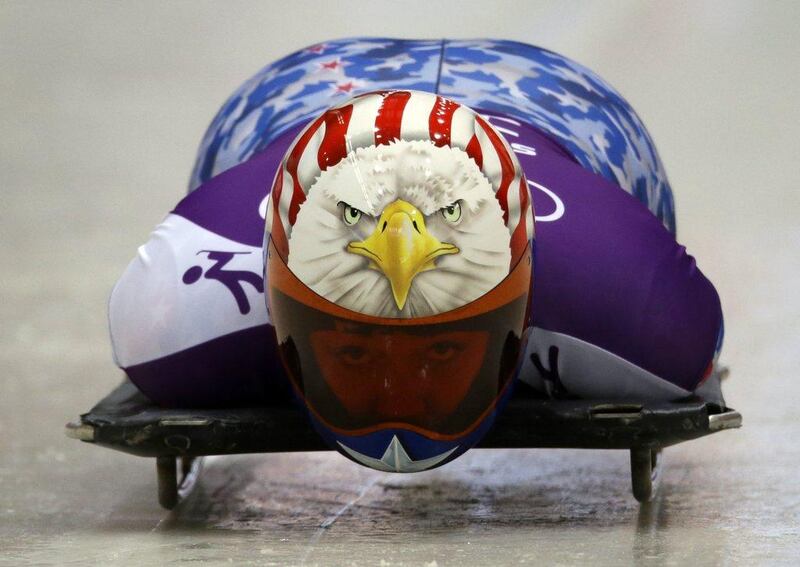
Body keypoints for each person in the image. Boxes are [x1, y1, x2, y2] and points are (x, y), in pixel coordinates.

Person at [108, 39, 723, 468]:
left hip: (317, 81)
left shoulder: (166, 325)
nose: (396, 393)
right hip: (549, 92)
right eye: (352, 351)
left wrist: (337, 352)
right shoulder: (652, 323)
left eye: (443, 349)